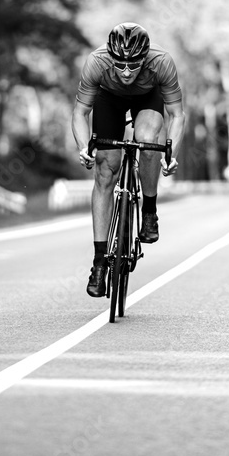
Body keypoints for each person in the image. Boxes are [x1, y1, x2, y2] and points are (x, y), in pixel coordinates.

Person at [71, 22, 185, 298]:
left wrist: (171, 154)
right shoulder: (97, 63)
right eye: (120, 64)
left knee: (148, 141)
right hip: (108, 100)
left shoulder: (161, 63)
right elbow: (80, 112)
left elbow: (177, 115)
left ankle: (148, 211)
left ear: (144, 59)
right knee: (105, 169)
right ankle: (99, 262)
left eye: (133, 65)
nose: (125, 71)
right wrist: (83, 146)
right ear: (111, 56)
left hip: (148, 97)